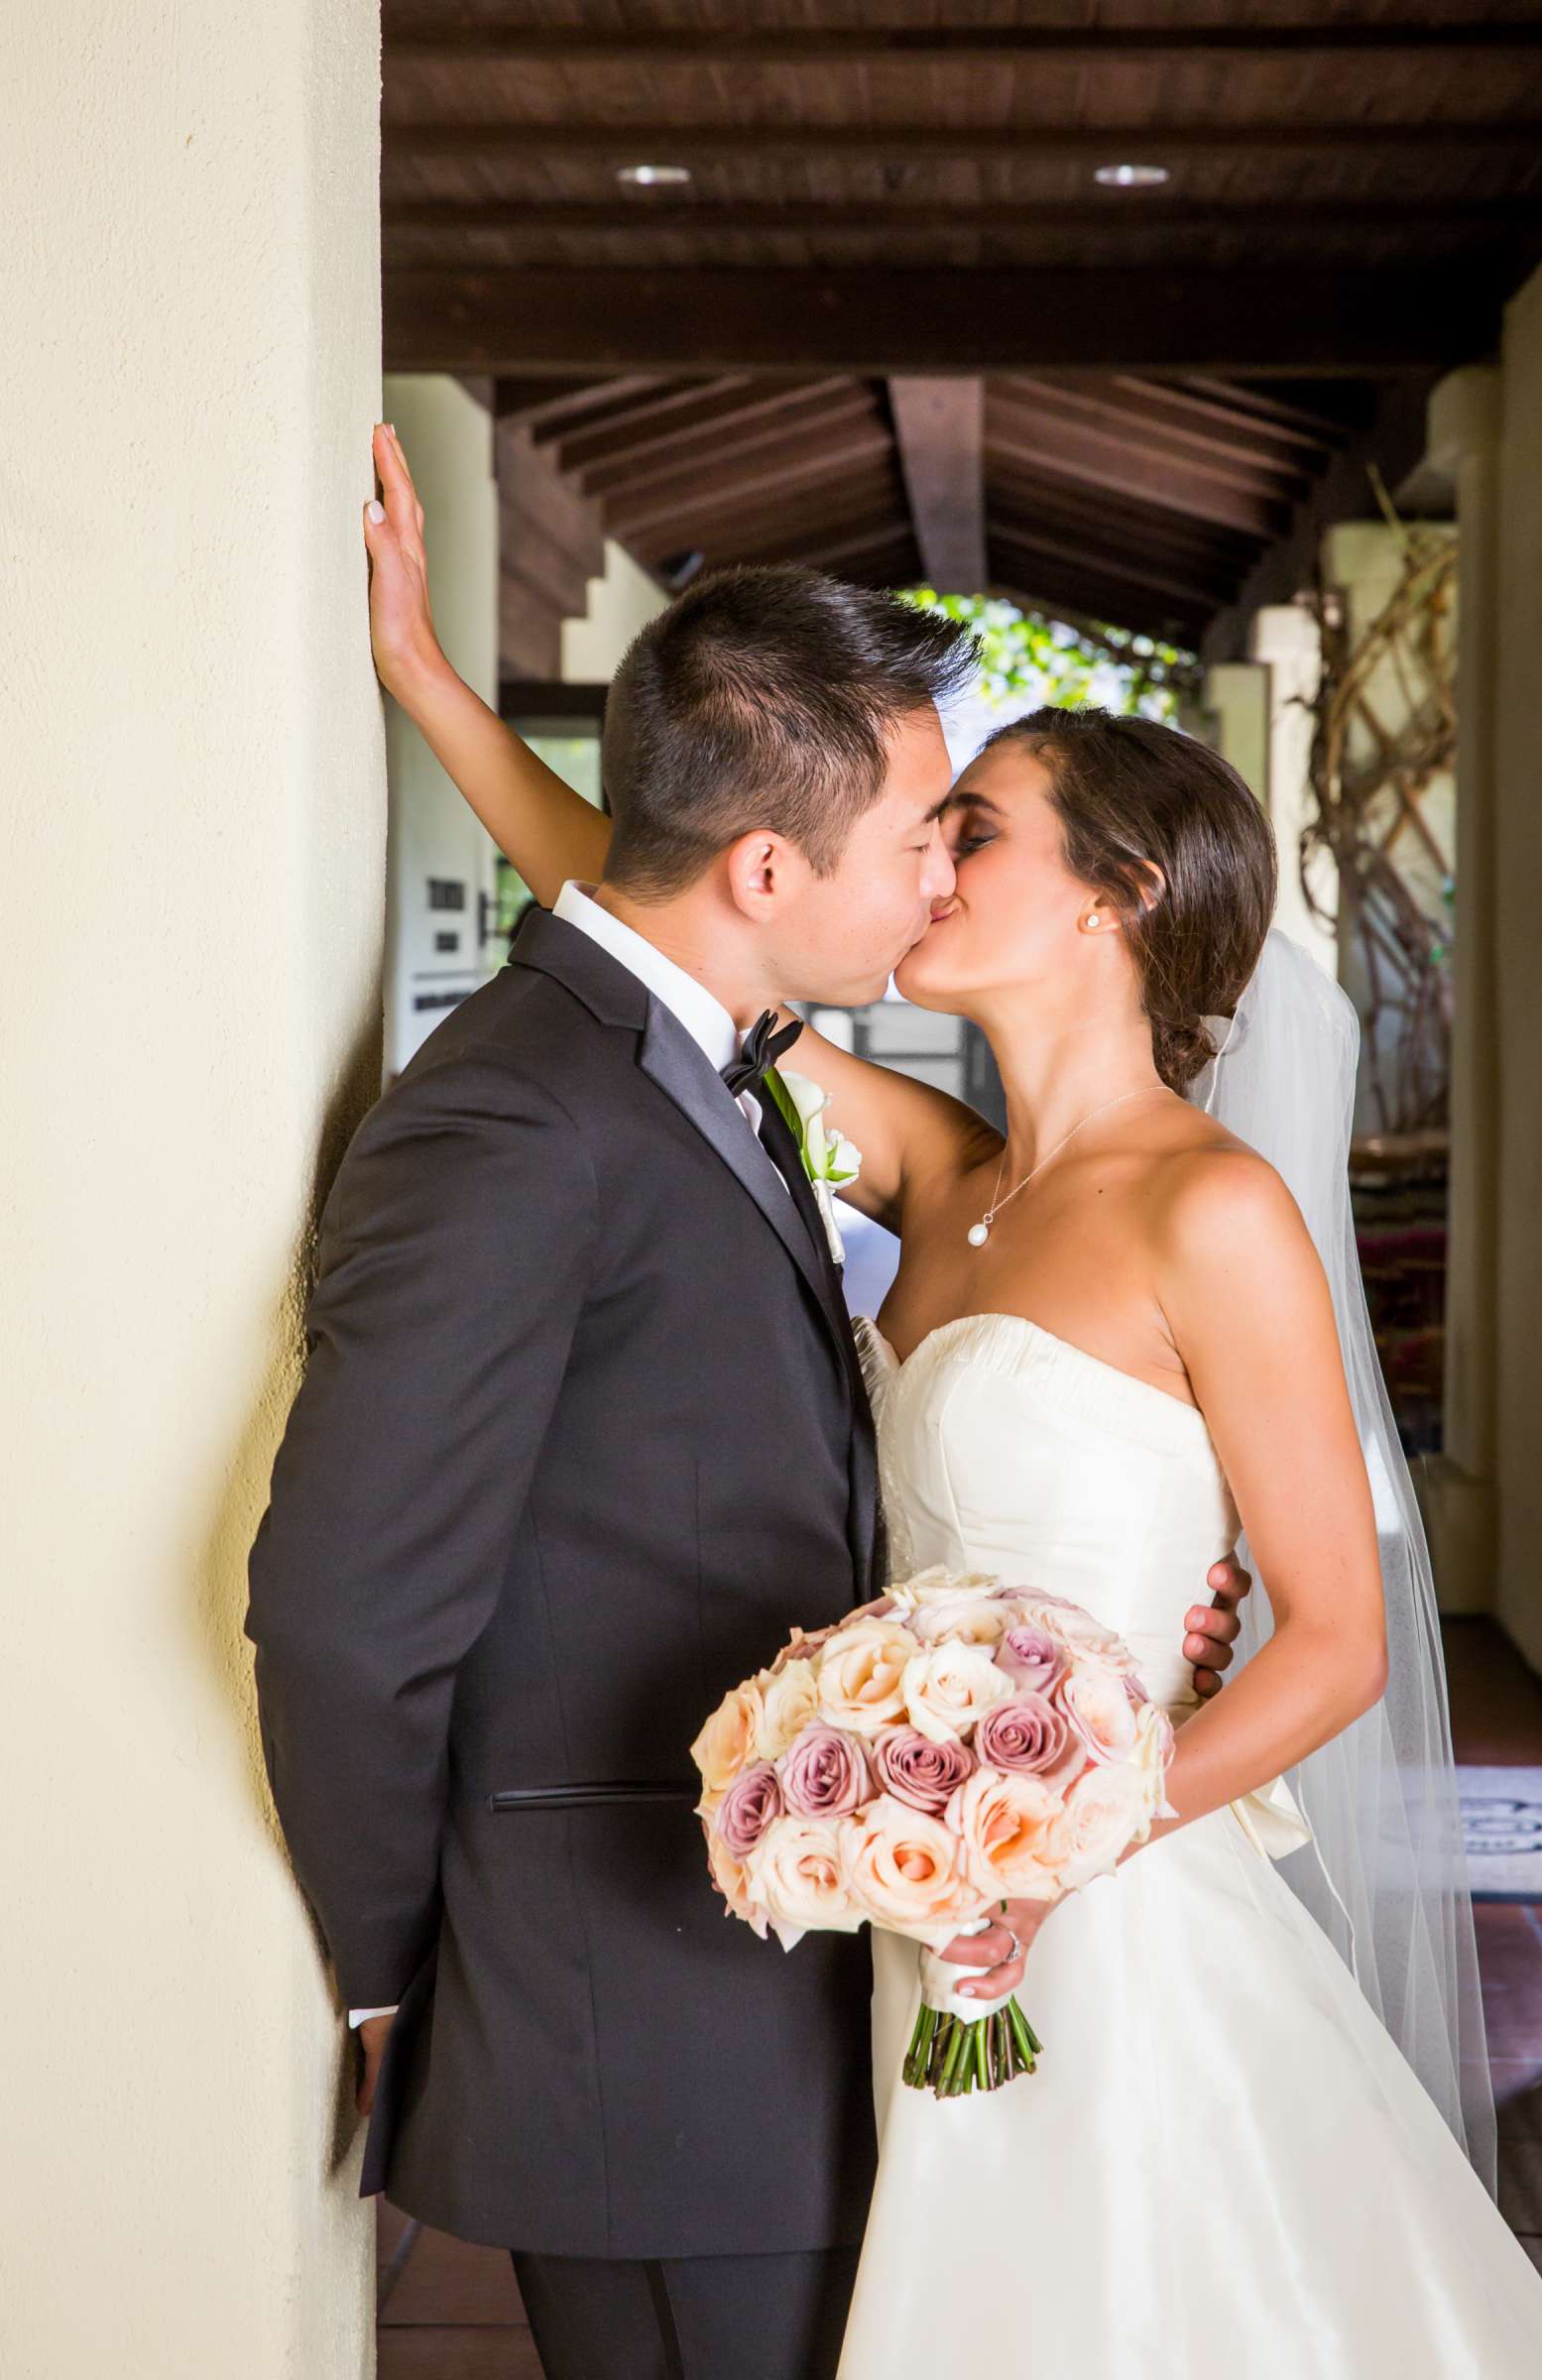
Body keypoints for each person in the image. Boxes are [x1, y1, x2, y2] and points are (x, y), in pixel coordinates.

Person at [375, 426, 1542, 2372]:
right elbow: (657, 925)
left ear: (1108, 898)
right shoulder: (941, 1174)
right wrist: (429, 684)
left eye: (976, 831)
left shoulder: (1212, 1206)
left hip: (1102, 1911)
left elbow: (1338, 1643)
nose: (924, 859)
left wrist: (1049, 1846)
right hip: (916, 1890)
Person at [240, 430, 1249, 2380]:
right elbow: (352, 1610)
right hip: (654, 2025)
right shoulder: (550, 1112)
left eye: (974, 835)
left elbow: (669, 907)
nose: (937, 870)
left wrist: (1129, 1640)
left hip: (854, 1954)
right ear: (777, 867)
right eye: (921, 834)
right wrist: (384, 1976)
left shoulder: (729, 1061)